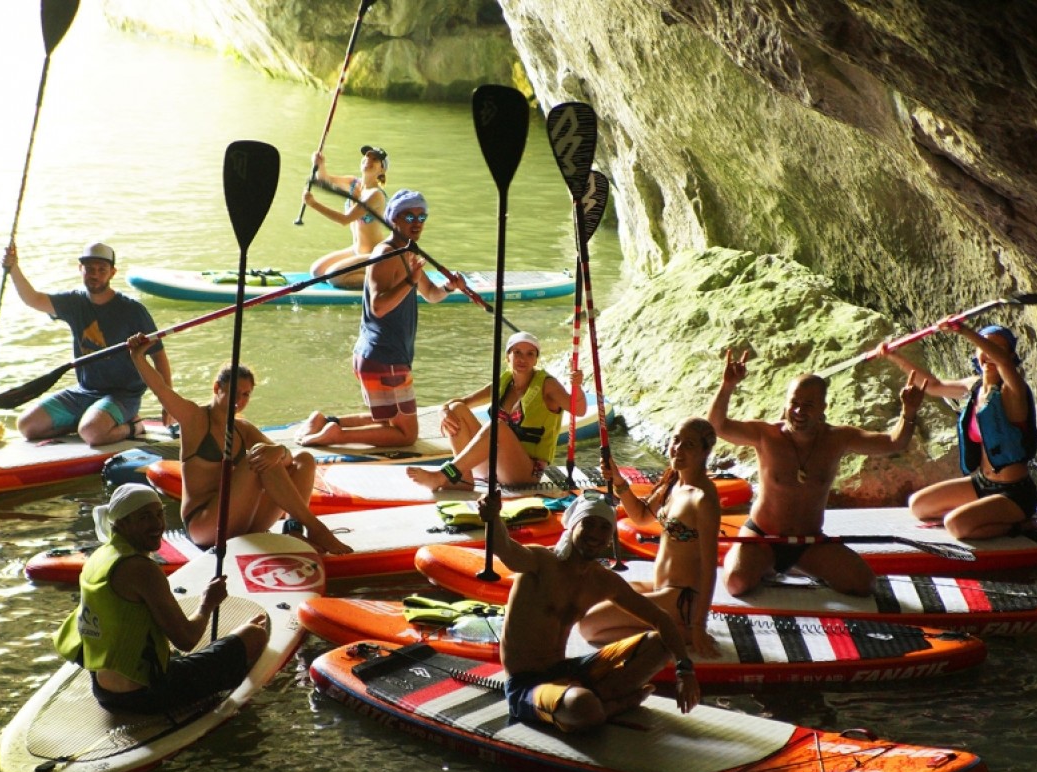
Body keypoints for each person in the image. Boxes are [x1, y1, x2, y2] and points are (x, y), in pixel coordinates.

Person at [709, 350, 924, 596]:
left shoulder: (838, 438)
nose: (799, 412)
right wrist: (727, 386)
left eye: (808, 406)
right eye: (794, 404)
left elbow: (894, 443)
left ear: (823, 407)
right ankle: (763, 564)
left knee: (864, 584)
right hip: (763, 538)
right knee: (736, 584)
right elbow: (717, 426)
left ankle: (796, 566)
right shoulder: (766, 435)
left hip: (808, 542)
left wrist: (908, 411)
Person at [484, 492, 701, 733]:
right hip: (526, 683)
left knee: (662, 643)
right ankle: (611, 705)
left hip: (568, 671)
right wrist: (493, 517)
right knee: (582, 706)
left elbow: (660, 618)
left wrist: (685, 670)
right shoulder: (540, 561)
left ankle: (593, 699)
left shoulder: (602, 580)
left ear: (610, 536)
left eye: (604, 527)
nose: (595, 534)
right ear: (573, 525)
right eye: (588, 524)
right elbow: (504, 548)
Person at [125, 333, 352, 555]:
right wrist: (138, 357)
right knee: (256, 457)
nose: (239, 401)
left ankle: (295, 529)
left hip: (242, 521)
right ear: (217, 388)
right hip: (204, 525)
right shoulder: (194, 418)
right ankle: (317, 529)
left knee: (304, 459)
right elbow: (161, 389)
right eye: (235, 392)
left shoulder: (243, 429)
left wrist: (279, 451)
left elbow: (290, 461)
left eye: (246, 395)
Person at [53, 484, 269, 715]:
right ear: (122, 523)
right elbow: (186, 640)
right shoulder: (141, 569)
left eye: (159, 513)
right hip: (147, 695)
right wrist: (208, 602)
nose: (157, 524)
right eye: (145, 517)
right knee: (254, 636)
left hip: (103, 690)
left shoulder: (100, 557)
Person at [300, 190, 466, 448]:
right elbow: (378, 306)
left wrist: (448, 287)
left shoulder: (409, 250)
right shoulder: (384, 254)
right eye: (409, 216)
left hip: (384, 355)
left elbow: (431, 294)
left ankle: (326, 421)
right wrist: (409, 280)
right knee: (406, 435)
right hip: (384, 357)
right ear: (393, 220)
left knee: (389, 419)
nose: (417, 222)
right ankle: (337, 436)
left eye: (422, 216)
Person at [875, 320, 1037, 539]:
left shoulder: (1014, 390)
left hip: (1015, 493)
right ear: (977, 353)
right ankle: (980, 512)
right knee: (918, 506)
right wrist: (894, 355)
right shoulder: (974, 386)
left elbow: (1003, 364)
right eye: (985, 349)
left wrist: (963, 330)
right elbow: (933, 386)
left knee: (955, 525)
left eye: (998, 350)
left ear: (1009, 356)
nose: (990, 355)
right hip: (982, 483)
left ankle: (1022, 525)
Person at [577, 418, 723, 658]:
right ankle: (666, 628)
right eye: (676, 440)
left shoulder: (703, 499)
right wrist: (617, 479)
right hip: (661, 588)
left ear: (705, 451)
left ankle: (681, 633)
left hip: (682, 599)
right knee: (590, 602)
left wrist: (699, 625)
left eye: (689, 445)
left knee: (590, 626)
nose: (678, 449)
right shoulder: (674, 481)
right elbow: (642, 516)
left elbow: (709, 567)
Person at [2, 241, 171, 445]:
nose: (95, 274)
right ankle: (85, 424)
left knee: (91, 434)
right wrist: (14, 269)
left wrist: (168, 402)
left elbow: (159, 357)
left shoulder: (132, 310)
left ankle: (133, 426)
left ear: (112, 273)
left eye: (102, 269)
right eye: (89, 269)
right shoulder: (74, 302)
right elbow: (33, 299)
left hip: (122, 395)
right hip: (84, 391)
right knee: (27, 426)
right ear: (80, 269)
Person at [404, 331, 584, 490]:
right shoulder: (504, 382)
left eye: (530, 354)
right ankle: (463, 478)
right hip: (495, 466)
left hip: (526, 472)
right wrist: (443, 411)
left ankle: (445, 475)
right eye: (517, 353)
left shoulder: (547, 385)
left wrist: (577, 387)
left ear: (536, 359)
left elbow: (579, 410)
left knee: (497, 425)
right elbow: (462, 402)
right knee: (457, 410)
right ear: (507, 357)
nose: (523, 359)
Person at [301, 145, 390, 289]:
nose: (369, 160)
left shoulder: (376, 195)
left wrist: (313, 204)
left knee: (334, 276)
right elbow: (324, 179)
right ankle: (365, 275)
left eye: (375, 159)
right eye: (367, 156)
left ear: (382, 169)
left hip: (375, 255)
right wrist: (320, 164)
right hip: (356, 250)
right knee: (317, 271)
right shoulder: (353, 183)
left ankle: (389, 280)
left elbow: (345, 219)